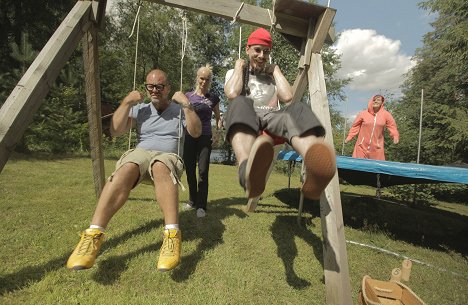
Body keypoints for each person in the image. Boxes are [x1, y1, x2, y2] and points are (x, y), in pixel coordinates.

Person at [66, 69, 201, 272]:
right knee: (126, 167)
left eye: (159, 86)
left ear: (168, 88)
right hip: (141, 152)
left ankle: (172, 236)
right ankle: (93, 234)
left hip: (167, 156)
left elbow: (196, 132)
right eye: (151, 86)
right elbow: (115, 130)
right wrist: (127, 102)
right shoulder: (141, 109)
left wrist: (188, 105)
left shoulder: (179, 110)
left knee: (160, 166)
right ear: (146, 87)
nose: (155, 90)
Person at [224, 27, 336, 201]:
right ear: (247, 49)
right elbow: (231, 93)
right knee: (239, 102)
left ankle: (315, 163)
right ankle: (247, 170)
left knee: (297, 108)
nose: (262, 55)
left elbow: (288, 97)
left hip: (271, 120)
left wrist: (276, 71)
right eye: (257, 50)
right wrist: (239, 66)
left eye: (266, 52)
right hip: (247, 119)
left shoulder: (272, 76)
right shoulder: (235, 73)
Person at [183, 64, 221, 218]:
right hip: (189, 136)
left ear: (210, 80)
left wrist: (218, 133)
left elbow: (219, 119)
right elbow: (180, 115)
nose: (204, 81)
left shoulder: (213, 98)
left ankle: (201, 206)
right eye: (201, 78)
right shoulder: (187, 96)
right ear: (197, 78)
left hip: (205, 136)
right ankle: (192, 200)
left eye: (207, 79)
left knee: (203, 171)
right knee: (190, 170)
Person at [345, 94, 399, 160]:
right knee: (357, 166)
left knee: (376, 168)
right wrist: (349, 136)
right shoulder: (363, 114)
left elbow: (392, 126)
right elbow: (355, 126)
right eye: (374, 100)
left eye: (378, 100)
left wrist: (395, 136)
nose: (375, 101)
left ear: (382, 102)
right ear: (371, 101)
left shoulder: (386, 115)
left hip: (377, 148)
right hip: (361, 146)